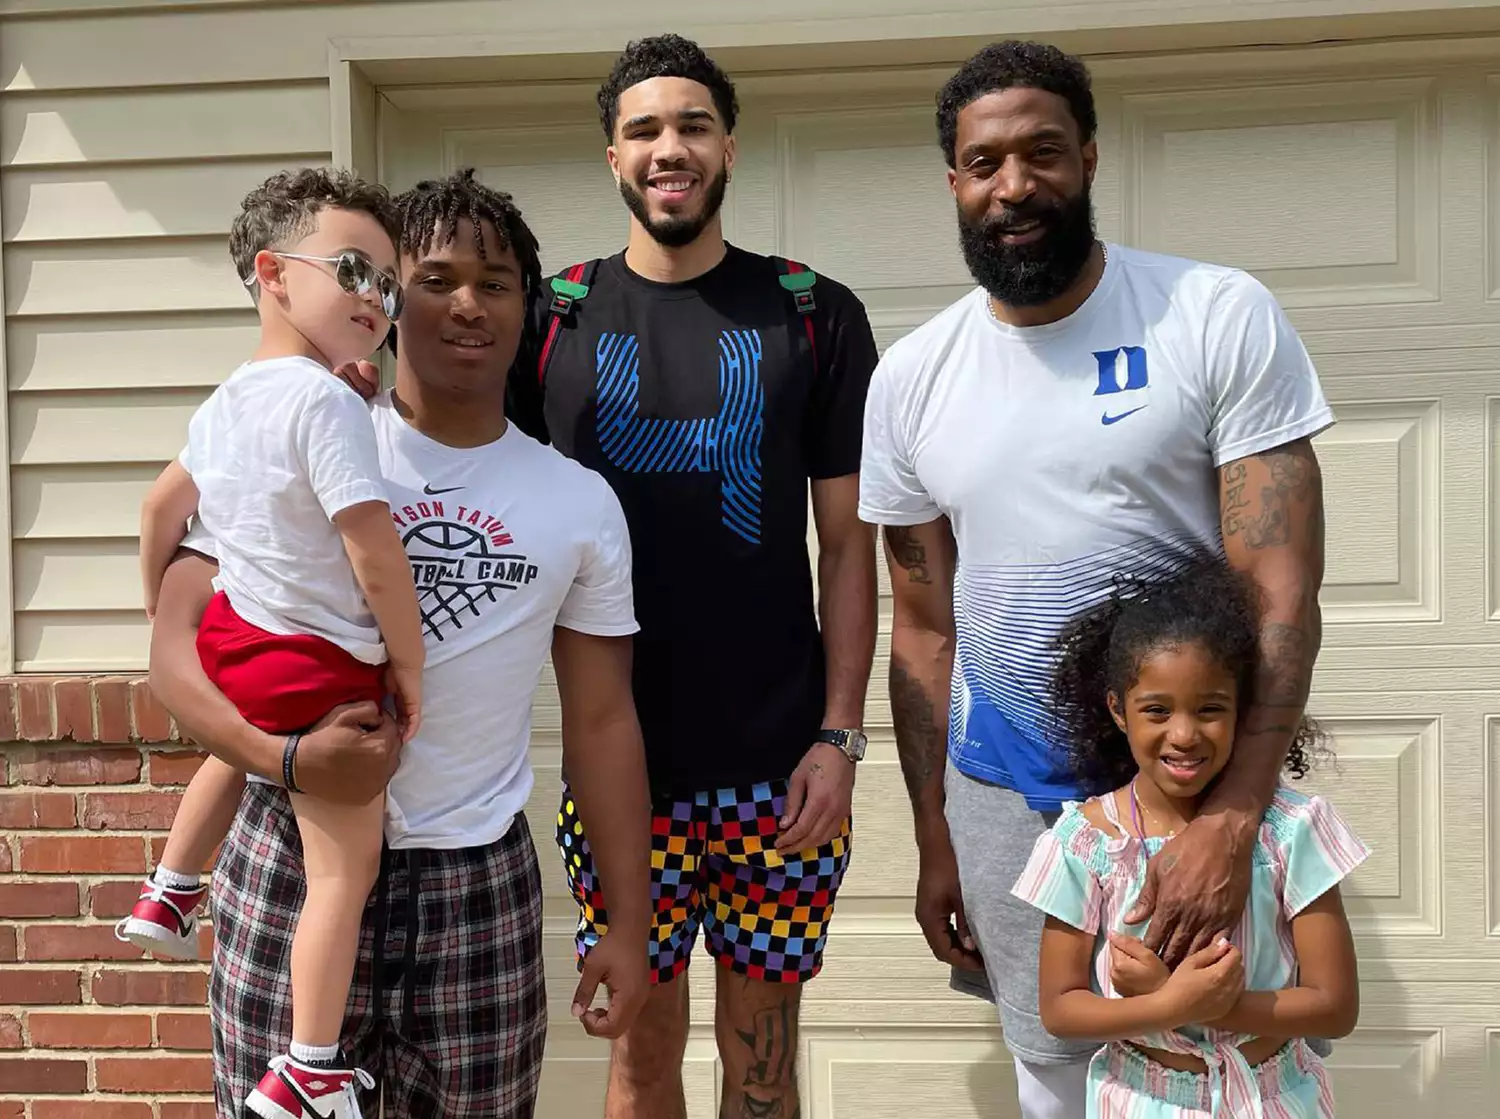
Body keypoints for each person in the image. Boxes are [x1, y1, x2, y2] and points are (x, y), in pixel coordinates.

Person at [857, 39, 1331, 1119]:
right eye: (985, 164)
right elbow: (924, 628)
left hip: (1188, 782)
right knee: (1054, 1067)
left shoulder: (1213, 314)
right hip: (1004, 798)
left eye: (1043, 153)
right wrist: (937, 837)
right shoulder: (911, 380)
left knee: (1220, 1059)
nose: (1014, 186)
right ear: (954, 182)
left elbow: (1282, 591)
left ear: (1090, 158)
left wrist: (1233, 817)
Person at [147, 169, 653, 1119]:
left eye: (495, 282)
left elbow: (601, 719)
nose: (468, 303)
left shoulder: (578, 502)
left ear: (526, 308)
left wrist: (627, 920)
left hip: (477, 890)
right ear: (384, 299)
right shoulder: (301, 431)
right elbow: (174, 651)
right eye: (435, 277)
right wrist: (283, 756)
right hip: (293, 853)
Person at [507, 33, 879, 1119]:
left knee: (763, 1067)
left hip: (781, 772)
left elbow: (849, 546)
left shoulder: (813, 312)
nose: (670, 148)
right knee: (641, 1056)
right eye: (644, 130)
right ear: (612, 157)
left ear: (729, 147)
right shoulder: (550, 317)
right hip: (621, 770)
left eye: (692, 125)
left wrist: (840, 736)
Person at [123, 167, 425, 1118]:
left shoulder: (232, 399)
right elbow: (372, 551)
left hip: (240, 640)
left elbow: (160, 508)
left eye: (387, 282)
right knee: (344, 872)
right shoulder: (325, 404)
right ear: (273, 273)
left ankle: (169, 888)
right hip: (323, 666)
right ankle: (308, 1063)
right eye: (352, 269)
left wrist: (165, 612)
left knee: (238, 753)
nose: (374, 297)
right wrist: (405, 667)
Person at [1014, 558, 1364, 1118]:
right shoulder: (1084, 842)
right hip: (1139, 1101)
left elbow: (1334, 1008)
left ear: (1242, 710)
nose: (1183, 734)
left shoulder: (1293, 831)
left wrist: (1194, 1005)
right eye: (1156, 710)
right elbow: (1060, 1010)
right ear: (1118, 711)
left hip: (1274, 1098)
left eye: (1210, 709)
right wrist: (1173, 1004)